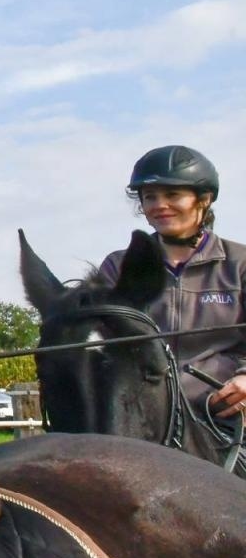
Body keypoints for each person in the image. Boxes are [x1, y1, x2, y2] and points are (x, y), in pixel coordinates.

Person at [100, 145, 246, 418]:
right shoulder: (117, 267)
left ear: (204, 199)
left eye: (172, 194)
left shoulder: (240, 264)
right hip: (141, 414)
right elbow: (103, 339)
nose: (159, 205)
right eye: (150, 197)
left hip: (223, 409)